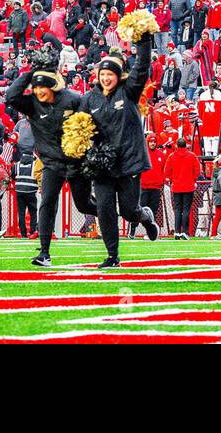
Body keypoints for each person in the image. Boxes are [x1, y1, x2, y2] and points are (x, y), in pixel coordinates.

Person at [80, 27, 159, 269]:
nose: (106, 78)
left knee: (128, 210)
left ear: (118, 75)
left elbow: (142, 68)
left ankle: (145, 216)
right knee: (104, 209)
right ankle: (112, 255)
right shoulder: (89, 99)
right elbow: (80, 130)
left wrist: (144, 40)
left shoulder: (129, 91)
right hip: (102, 164)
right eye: (102, 74)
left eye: (110, 74)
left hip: (128, 160)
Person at [3, 65, 95, 266]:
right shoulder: (33, 104)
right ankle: (44, 252)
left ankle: (115, 213)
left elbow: (89, 124)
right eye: (34, 87)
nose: (38, 91)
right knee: (46, 203)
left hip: (75, 161)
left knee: (84, 204)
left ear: (53, 85)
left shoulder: (73, 99)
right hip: (52, 163)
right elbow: (10, 96)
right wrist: (29, 73)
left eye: (41, 86)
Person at [164, 137, 200, 238]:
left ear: (177, 145)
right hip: (188, 186)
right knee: (186, 210)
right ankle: (184, 231)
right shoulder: (192, 156)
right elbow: (197, 170)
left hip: (176, 186)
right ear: (186, 145)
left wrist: (172, 180)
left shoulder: (172, 156)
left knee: (177, 209)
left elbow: (167, 171)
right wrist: (193, 179)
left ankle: (177, 231)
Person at [12, 151, 39, 239]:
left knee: (21, 212)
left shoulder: (17, 164)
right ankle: (32, 231)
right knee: (33, 212)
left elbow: (12, 175)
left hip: (19, 190)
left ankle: (23, 233)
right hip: (31, 191)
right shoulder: (35, 164)